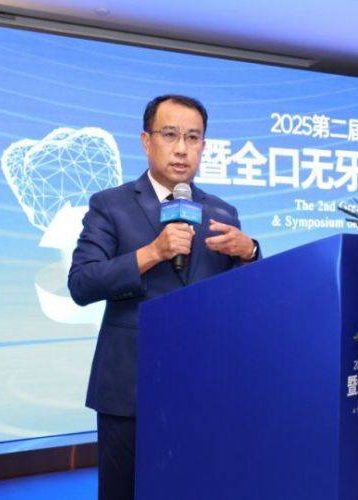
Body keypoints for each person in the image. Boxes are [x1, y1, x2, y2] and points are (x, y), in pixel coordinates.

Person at [68, 95, 260, 500]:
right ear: (146, 141)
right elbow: (82, 283)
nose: (182, 149)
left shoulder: (222, 212)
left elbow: (243, 300)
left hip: (204, 387)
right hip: (130, 388)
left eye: (193, 137)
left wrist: (250, 254)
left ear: (204, 146)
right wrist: (151, 253)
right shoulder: (111, 205)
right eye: (170, 135)